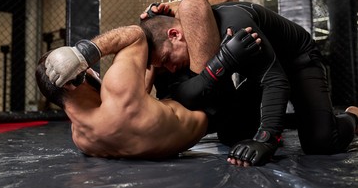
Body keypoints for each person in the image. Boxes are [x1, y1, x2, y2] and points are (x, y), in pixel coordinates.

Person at [140, 0, 358, 167]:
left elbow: (275, 79)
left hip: (297, 61)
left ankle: (352, 116)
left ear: (175, 34)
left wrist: (266, 139)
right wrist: (222, 62)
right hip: (257, 71)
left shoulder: (235, 26)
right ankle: (299, 117)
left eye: (168, 58)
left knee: (321, 143)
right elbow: (183, 95)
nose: (171, 66)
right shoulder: (195, 43)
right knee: (232, 134)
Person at [37, 24, 260, 158]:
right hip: (211, 110)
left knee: (157, 39)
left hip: (166, 115)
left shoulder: (81, 139)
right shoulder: (118, 93)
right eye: (87, 69)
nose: (94, 72)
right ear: (71, 82)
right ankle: (224, 58)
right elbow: (136, 34)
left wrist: (150, 67)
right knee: (191, 5)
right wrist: (84, 52)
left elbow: (136, 102)